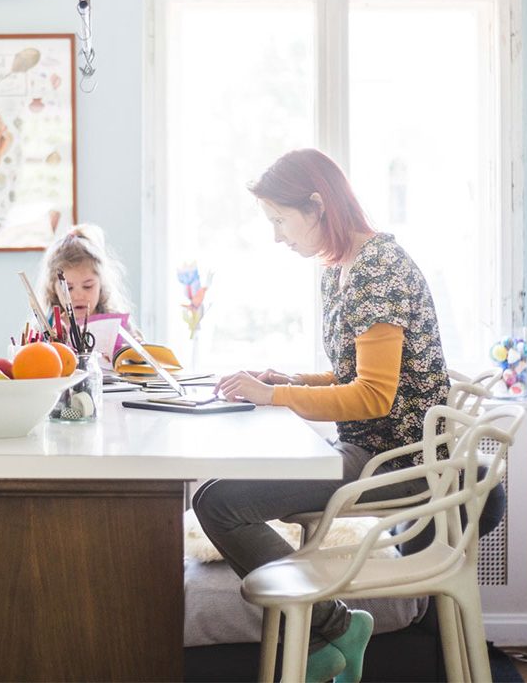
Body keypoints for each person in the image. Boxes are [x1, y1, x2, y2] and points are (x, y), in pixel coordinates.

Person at [192, 148, 449, 683]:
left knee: (216, 501)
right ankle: (327, 630)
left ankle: (330, 626)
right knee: (216, 492)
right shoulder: (341, 267)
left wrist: (272, 397)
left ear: (317, 205)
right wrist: (286, 381)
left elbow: (374, 397)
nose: (278, 235)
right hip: (367, 449)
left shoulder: (379, 269)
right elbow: (352, 375)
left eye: (281, 220)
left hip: (395, 460)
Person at [35, 223, 138, 343]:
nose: (78, 296)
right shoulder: (45, 328)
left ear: (101, 284)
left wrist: (135, 348)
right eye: (68, 288)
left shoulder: (119, 327)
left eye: (87, 286)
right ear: (53, 288)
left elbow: (140, 358)